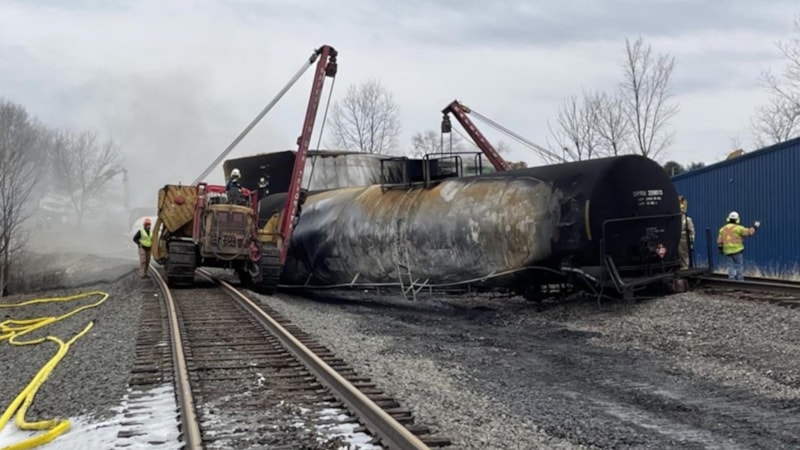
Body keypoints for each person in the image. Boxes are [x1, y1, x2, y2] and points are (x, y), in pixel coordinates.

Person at [717, 211, 760, 281]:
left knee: (730, 265)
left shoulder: (722, 229)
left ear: (728, 219)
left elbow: (719, 241)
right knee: (738, 265)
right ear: (737, 219)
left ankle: (731, 279)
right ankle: (740, 280)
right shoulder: (738, 228)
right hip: (737, 250)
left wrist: (720, 249)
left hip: (727, 251)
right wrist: (755, 226)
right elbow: (749, 232)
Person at [678, 196, 696, 269]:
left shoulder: (687, 220)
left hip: (684, 240)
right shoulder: (676, 220)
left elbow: (692, 231)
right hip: (677, 240)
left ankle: (685, 267)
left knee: (684, 254)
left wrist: (691, 242)